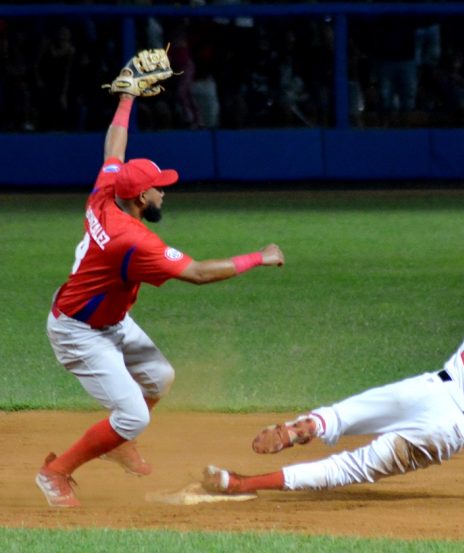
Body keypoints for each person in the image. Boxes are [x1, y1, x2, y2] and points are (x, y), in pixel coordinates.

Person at [36, 55, 285, 508]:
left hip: (100, 316)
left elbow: (115, 147)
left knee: (159, 378)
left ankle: (117, 439)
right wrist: (260, 257)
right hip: (78, 331)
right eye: (159, 187)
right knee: (132, 413)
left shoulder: (106, 193)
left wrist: (128, 96)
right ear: (140, 197)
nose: (164, 190)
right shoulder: (132, 240)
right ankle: (56, 472)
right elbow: (198, 273)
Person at [201, 261, 464, 504]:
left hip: (428, 387)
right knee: (352, 467)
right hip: (448, 428)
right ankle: (239, 484)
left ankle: (304, 426)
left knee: (343, 414)